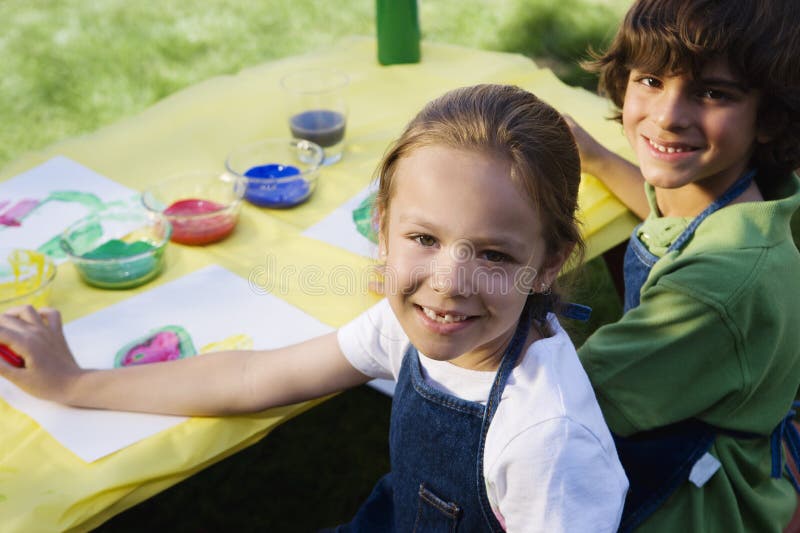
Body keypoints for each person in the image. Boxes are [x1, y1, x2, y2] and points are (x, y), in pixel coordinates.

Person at [0, 84, 628, 532]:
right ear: (382, 230)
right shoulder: (405, 327)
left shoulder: (545, 438)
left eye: (492, 254)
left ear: (549, 263)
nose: (448, 282)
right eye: (424, 239)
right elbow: (251, 377)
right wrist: (75, 382)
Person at [565, 0, 800, 531]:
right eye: (650, 80)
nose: (668, 116)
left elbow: (570, 399)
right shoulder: (750, 202)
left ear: (770, 119)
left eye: (712, 92)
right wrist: (597, 157)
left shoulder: (716, 285)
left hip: (694, 496)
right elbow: (667, 216)